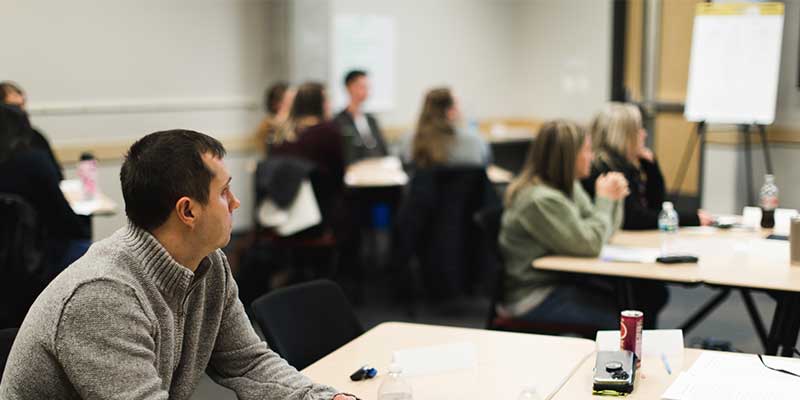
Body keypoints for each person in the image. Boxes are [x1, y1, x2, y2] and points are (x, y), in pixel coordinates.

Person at [0, 129, 356, 400]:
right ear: (187, 210)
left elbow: (247, 362)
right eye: (223, 193)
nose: (235, 203)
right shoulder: (102, 296)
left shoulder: (208, 263)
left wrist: (324, 397)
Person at [499, 120, 668, 329]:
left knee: (643, 298)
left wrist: (614, 199)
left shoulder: (568, 185)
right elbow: (591, 244)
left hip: (562, 283)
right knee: (622, 319)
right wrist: (605, 200)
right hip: (535, 296)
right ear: (569, 157)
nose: (591, 156)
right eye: (587, 150)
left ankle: (638, 357)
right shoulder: (540, 199)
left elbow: (605, 232)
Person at [581, 102, 712, 230]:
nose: (644, 134)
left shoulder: (624, 165)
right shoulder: (604, 169)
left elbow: (655, 207)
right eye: (638, 130)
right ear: (623, 136)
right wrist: (690, 219)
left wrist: (651, 167)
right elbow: (635, 219)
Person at [0, 105, 90, 278]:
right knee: (86, 249)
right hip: (37, 256)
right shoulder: (34, 163)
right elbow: (62, 219)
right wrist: (83, 229)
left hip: (9, 263)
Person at [405, 87, 490, 167]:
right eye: (457, 105)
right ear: (450, 112)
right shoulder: (474, 141)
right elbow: (485, 164)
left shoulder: (408, 141)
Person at [0, 81, 63, 180]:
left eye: (22, 107)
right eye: (14, 108)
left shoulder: (35, 137)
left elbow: (56, 173)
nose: (20, 114)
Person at [333, 70, 388, 164]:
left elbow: (383, 149)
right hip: (355, 170)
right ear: (349, 87)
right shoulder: (339, 121)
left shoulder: (371, 120)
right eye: (362, 87)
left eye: (367, 87)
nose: (366, 91)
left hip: (378, 168)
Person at [255, 81, 295, 155]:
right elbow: (265, 151)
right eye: (290, 99)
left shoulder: (296, 122)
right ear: (277, 104)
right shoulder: (267, 125)